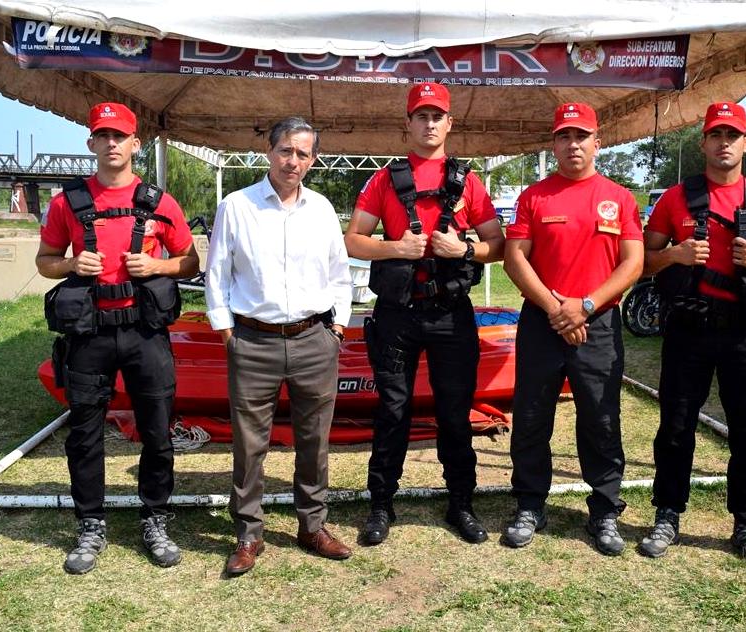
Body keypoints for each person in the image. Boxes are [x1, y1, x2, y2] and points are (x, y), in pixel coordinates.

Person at [36, 102, 198, 574]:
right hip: (89, 335)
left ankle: (155, 516)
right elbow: (45, 260)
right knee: (85, 434)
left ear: (135, 144)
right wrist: (68, 265)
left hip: (144, 332)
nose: (111, 143)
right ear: (91, 143)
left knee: (157, 430)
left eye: (119, 135)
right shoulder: (67, 202)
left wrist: (157, 266)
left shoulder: (159, 201)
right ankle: (90, 522)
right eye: (102, 135)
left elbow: (190, 262)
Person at [641, 101, 746, 564]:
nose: (724, 142)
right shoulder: (675, 199)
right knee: (675, 428)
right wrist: (674, 256)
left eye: (733, 135)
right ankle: (668, 514)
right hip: (688, 330)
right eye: (716, 134)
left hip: (745, 332)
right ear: (704, 143)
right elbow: (641, 264)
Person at [344, 84, 505, 546]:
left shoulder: (469, 181)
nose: (429, 124)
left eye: (437, 116)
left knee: (455, 413)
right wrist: (396, 247)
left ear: (449, 123)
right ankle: (380, 504)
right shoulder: (382, 179)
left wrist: (465, 248)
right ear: (408, 125)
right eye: (421, 116)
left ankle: (461, 502)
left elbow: (498, 244)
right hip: (398, 315)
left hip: (452, 316)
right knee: (392, 410)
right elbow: (353, 239)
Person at [205, 117, 354, 575]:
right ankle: (249, 533)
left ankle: (312, 526)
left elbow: (339, 274)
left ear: (313, 160)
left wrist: (338, 329)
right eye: (286, 150)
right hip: (253, 340)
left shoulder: (323, 209)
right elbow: (217, 274)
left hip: (314, 339)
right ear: (269, 151)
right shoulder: (236, 206)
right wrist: (227, 332)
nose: (294, 161)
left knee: (315, 440)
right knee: (250, 446)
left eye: (303, 154)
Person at [501, 102, 643, 555]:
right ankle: (529, 504)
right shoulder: (534, 196)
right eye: (564, 136)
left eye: (581, 136)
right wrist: (555, 308)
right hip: (542, 321)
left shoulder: (619, 197)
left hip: (596, 322)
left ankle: (603, 511)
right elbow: (514, 257)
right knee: (530, 416)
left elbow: (633, 263)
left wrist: (582, 307)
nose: (573, 144)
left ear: (597, 143)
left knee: (601, 418)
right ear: (554, 144)